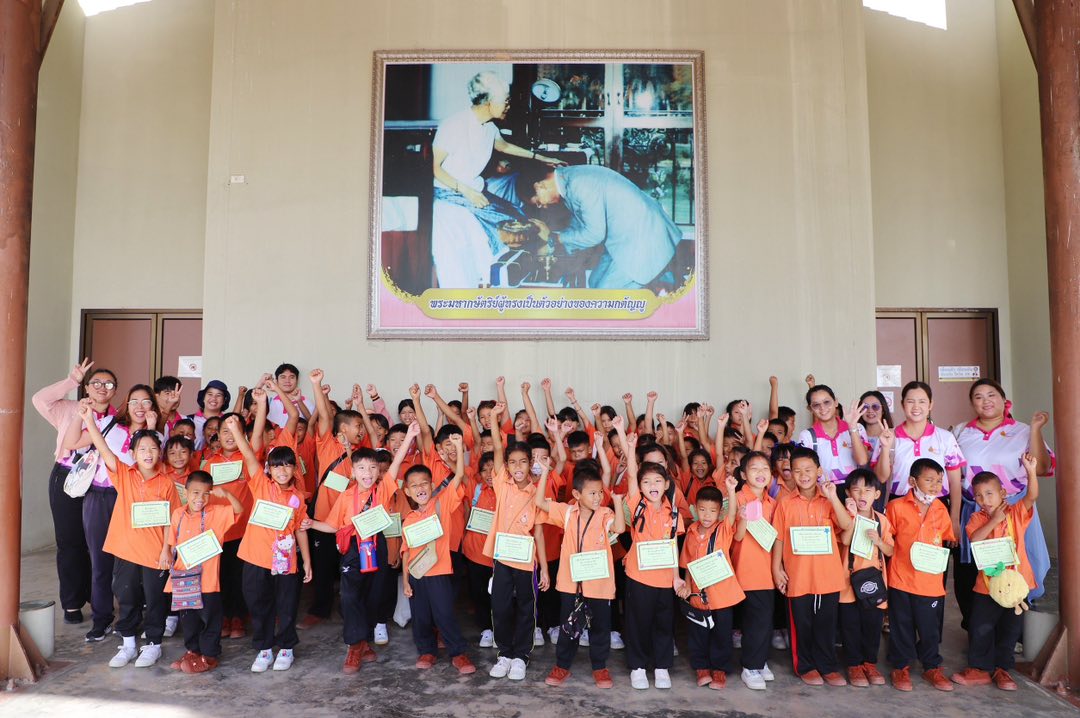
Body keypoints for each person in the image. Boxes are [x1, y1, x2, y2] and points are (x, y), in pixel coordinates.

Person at [431, 70, 562, 288]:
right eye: (505, 100)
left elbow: (504, 146)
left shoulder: (489, 128)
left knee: (518, 216)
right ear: (489, 102)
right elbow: (434, 167)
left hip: (474, 191)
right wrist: (467, 191)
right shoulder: (453, 125)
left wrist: (542, 157)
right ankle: (492, 280)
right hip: (451, 193)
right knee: (505, 228)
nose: (508, 105)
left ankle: (508, 278)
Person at [307, 422, 420, 674]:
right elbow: (333, 525)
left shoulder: (384, 488)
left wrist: (410, 437)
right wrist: (311, 523)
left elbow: (396, 463)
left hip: (378, 546)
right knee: (349, 597)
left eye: (372, 468)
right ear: (353, 471)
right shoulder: (347, 496)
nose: (367, 473)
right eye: (361, 468)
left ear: (378, 471)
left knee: (374, 596)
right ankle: (354, 646)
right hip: (353, 549)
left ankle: (365, 640)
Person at [78, 399, 179, 669]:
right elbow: (103, 447)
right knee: (127, 596)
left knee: (155, 599)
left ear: (160, 453)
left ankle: (153, 644)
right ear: (132, 454)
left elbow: (171, 520)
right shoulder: (124, 475)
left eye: (153, 448)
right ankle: (129, 644)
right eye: (142, 449)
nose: (148, 453)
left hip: (155, 553)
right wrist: (89, 421)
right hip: (126, 550)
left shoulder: (167, 483)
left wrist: (166, 550)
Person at [64, 382, 161, 643]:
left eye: (146, 401)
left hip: (134, 501)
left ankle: (131, 618)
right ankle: (102, 618)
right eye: (134, 401)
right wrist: (84, 417)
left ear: (153, 406)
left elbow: (154, 468)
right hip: (100, 496)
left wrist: (152, 428)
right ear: (126, 404)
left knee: (134, 562)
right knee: (100, 561)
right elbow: (76, 442)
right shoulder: (110, 425)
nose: (140, 407)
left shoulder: (156, 436)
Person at [953, 379, 1052, 631]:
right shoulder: (962, 432)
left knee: (1020, 564)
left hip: (1014, 509)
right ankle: (977, 631)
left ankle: (1014, 631)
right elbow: (952, 472)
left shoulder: (1022, 430)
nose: (985, 401)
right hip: (975, 509)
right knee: (974, 570)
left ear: (1004, 400)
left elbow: (1042, 467)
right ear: (972, 403)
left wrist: (1035, 429)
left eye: (991, 395)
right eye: (978, 396)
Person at [31, 358, 114, 627]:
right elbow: (39, 399)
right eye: (96, 383)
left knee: (96, 542)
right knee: (69, 542)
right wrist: (71, 381)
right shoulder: (68, 409)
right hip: (66, 477)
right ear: (87, 388)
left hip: (98, 483)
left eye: (108, 384)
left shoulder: (116, 418)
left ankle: (95, 595)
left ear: (114, 390)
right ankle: (72, 602)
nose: (102, 387)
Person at [226, 414, 312, 673]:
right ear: (269, 470)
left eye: (288, 466)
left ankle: (286, 647)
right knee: (258, 604)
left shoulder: (298, 498)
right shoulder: (261, 486)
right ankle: (264, 648)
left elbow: (301, 529)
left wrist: (307, 561)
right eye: (277, 467)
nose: (282, 471)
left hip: (286, 561)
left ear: (294, 469)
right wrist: (235, 430)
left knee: (286, 605)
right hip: (255, 558)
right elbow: (249, 455)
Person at [951, 453, 1040, 691]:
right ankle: (979, 669)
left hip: (1017, 585)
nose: (984, 500)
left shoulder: (1016, 513)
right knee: (981, 626)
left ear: (1002, 493)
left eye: (990, 493)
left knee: (1010, 629)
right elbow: (975, 539)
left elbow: (1032, 496)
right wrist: (993, 520)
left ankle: (1002, 670)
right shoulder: (975, 518)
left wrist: (1031, 471)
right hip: (988, 586)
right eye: (979, 496)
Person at [536, 459, 625, 689]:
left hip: (599, 584)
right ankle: (562, 665)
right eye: (592, 493)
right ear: (576, 494)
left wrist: (616, 502)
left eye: (600, 492)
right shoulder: (567, 513)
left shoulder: (605, 513)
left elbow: (620, 528)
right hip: (571, 583)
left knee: (600, 627)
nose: (598, 497)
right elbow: (539, 502)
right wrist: (545, 473)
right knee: (568, 626)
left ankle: (600, 667)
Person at [613, 417, 686, 690]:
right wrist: (626, 439)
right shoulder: (637, 505)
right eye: (646, 481)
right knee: (638, 624)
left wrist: (676, 577)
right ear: (640, 486)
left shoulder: (674, 513)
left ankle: (662, 667)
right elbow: (632, 473)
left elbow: (672, 546)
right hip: (639, 578)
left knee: (664, 623)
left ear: (666, 484)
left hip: (665, 580)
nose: (652, 485)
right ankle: (639, 667)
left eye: (658, 480)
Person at [771, 447, 853, 687]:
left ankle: (827, 666)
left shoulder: (829, 499)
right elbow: (779, 538)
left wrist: (833, 497)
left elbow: (846, 525)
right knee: (801, 625)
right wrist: (776, 568)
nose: (803, 475)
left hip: (827, 575)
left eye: (808, 470)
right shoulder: (785, 503)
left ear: (819, 471)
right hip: (798, 575)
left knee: (826, 624)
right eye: (797, 471)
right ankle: (805, 666)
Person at [529, 164, 682, 290]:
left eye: (538, 202)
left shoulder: (579, 184)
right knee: (594, 282)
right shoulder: (567, 180)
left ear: (539, 186)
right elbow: (580, 223)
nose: (543, 207)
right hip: (625, 238)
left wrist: (555, 239)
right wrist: (553, 241)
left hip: (643, 238)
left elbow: (594, 234)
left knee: (604, 296)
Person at [400, 438, 477, 675]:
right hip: (417, 575)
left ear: (432, 484)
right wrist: (406, 581)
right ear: (407, 491)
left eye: (424, 483)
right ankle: (426, 650)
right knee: (421, 616)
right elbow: (406, 552)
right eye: (414, 486)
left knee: (445, 614)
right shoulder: (409, 519)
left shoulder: (442, 503)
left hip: (439, 572)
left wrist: (457, 452)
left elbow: (459, 476)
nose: (420, 488)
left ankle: (458, 652)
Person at [485, 402, 549, 680]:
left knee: (526, 607)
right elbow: (498, 448)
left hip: (525, 561)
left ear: (531, 463)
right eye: (512, 462)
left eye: (523, 461)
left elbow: (539, 533)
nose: (517, 467)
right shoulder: (502, 483)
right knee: (500, 606)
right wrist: (494, 418)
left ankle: (521, 656)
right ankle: (504, 654)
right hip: (502, 558)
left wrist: (544, 568)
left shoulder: (536, 493)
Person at [884, 458, 957, 692]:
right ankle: (901, 666)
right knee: (901, 625)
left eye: (939, 481)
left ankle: (931, 666)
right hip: (901, 578)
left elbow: (945, 539)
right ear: (912, 481)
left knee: (929, 628)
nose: (935, 486)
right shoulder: (896, 507)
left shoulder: (940, 509)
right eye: (929, 480)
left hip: (930, 583)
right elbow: (887, 539)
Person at [163, 470, 242, 674]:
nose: (200, 498)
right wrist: (165, 552)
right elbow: (171, 541)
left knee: (210, 618)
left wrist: (227, 494)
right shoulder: (178, 514)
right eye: (195, 493)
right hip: (184, 578)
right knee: (188, 618)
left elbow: (238, 509)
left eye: (206, 493)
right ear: (186, 493)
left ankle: (210, 655)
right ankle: (193, 651)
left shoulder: (216, 513)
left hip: (208, 581)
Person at [872, 381, 965, 538]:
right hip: (899, 507)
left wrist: (954, 519)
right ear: (902, 404)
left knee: (935, 552)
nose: (916, 407)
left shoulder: (945, 438)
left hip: (937, 506)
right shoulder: (889, 436)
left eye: (922, 401)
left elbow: (955, 482)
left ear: (930, 405)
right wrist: (886, 447)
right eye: (910, 401)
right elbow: (881, 477)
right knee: (901, 552)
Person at [676, 480, 741, 690]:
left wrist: (731, 490)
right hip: (698, 594)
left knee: (722, 633)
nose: (706, 515)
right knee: (698, 633)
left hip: (722, 595)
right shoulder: (691, 531)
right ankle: (701, 668)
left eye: (712, 511)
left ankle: (719, 670)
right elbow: (687, 563)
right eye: (702, 509)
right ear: (695, 509)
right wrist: (687, 587)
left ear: (719, 512)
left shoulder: (723, 529)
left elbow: (732, 514)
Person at [838, 469, 893, 687]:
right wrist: (852, 517)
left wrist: (879, 542)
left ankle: (869, 663)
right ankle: (853, 665)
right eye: (856, 490)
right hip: (848, 582)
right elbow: (844, 540)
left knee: (872, 625)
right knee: (850, 625)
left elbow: (890, 550)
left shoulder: (882, 520)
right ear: (848, 493)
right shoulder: (844, 517)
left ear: (877, 495)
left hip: (874, 582)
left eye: (868, 490)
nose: (862, 495)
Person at [731, 451, 780, 690]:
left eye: (765, 469)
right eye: (754, 468)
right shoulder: (737, 498)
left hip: (766, 571)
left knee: (764, 619)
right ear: (743, 474)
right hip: (746, 569)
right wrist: (742, 518)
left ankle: (759, 661)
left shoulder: (772, 503)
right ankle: (750, 667)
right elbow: (736, 536)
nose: (760, 473)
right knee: (754, 620)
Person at [796, 384, 870, 490]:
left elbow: (862, 461)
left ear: (835, 402)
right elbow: (804, 470)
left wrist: (852, 427)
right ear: (810, 409)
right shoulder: (807, 436)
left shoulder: (857, 428)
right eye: (816, 405)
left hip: (854, 491)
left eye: (827, 402)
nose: (822, 408)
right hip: (823, 492)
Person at [192, 380, 230, 450]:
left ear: (224, 401)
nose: (213, 398)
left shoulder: (227, 422)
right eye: (210, 394)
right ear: (203, 398)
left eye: (218, 395)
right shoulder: (190, 419)